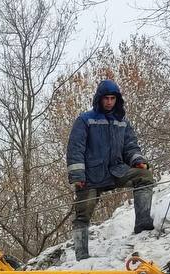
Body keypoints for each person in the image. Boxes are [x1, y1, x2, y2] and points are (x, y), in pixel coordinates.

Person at [66, 78, 154, 260]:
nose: (109, 102)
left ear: (117, 100)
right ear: (99, 99)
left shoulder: (123, 122)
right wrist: (77, 175)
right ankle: (81, 255)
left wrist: (137, 160)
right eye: (106, 98)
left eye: (112, 98)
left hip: (117, 171)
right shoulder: (85, 120)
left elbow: (131, 146)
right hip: (90, 177)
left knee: (144, 176)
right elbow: (75, 148)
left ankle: (143, 223)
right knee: (83, 212)